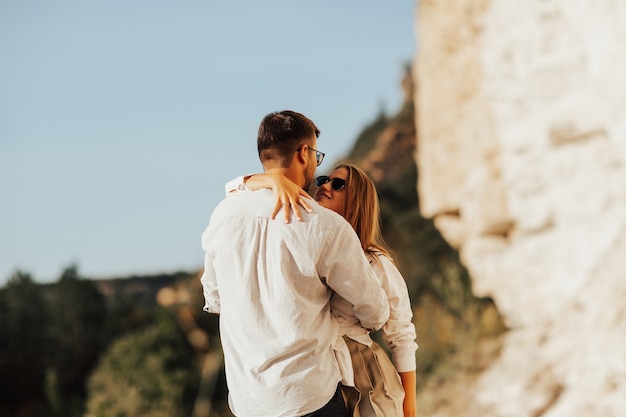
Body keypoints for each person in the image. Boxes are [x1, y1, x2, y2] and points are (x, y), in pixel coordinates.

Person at [200, 110, 390, 417]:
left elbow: (214, 296)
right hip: (310, 398)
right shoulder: (325, 225)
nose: (316, 163)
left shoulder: (223, 215)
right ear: (304, 152)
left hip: (249, 402)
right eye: (315, 154)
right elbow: (376, 311)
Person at [231, 163, 418, 417]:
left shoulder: (376, 264)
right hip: (311, 372)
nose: (325, 187)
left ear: (357, 201)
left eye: (338, 184)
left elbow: (401, 337)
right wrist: (271, 181)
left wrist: (410, 409)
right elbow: (234, 190)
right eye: (322, 180)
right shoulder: (306, 245)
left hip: (361, 373)